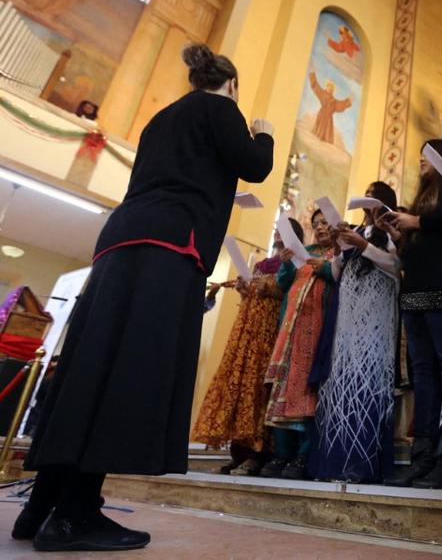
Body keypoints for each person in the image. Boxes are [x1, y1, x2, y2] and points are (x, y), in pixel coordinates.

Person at [16, 44, 274, 551]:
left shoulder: (162, 119)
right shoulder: (219, 108)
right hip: (169, 245)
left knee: (90, 366)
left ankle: (40, 507)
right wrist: (262, 132)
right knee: (129, 369)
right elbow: (255, 166)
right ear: (231, 85)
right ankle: (74, 515)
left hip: (120, 241)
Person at [381, 140, 442, 489]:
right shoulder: (423, 197)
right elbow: (414, 252)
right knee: (423, 371)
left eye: (427, 155)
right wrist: (399, 234)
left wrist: (418, 220)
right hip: (416, 290)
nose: (420, 160)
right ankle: (423, 454)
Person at [191, 219, 303, 477]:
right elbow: (252, 295)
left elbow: (290, 295)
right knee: (239, 388)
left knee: (259, 390)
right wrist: (245, 289)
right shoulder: (262, 264)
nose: (278, 235)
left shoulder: (297, 263)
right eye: (277, 231)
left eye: (284, 232)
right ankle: (238, 454)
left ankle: (259, 455)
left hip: (270, 332)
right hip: (247, 332)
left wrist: (270, 289)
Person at [309, 182, 400, 483]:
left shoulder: (392, 230)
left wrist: (363, 246)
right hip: (348, 314)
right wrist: (339, 249)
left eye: (372, 195)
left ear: (383, 202)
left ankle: (362, 465)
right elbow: (337, 273)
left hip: (376, 314)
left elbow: (396, 266)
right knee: (342, 384)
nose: (366, 200)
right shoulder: (357, 231)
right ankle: (335, 462)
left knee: (367, 382)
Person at [262, 210, 336, 480]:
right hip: (290, 331)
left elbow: (340, 279)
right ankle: (283, 453)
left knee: (309, 393)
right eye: (316, 224)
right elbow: (283, 284)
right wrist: (285, 263)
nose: (320, 228)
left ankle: (304, 455)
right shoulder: (305, 251)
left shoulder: (338, 253)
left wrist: (324, 267)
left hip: (319, 333)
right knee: (282, 389)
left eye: (325, 222)